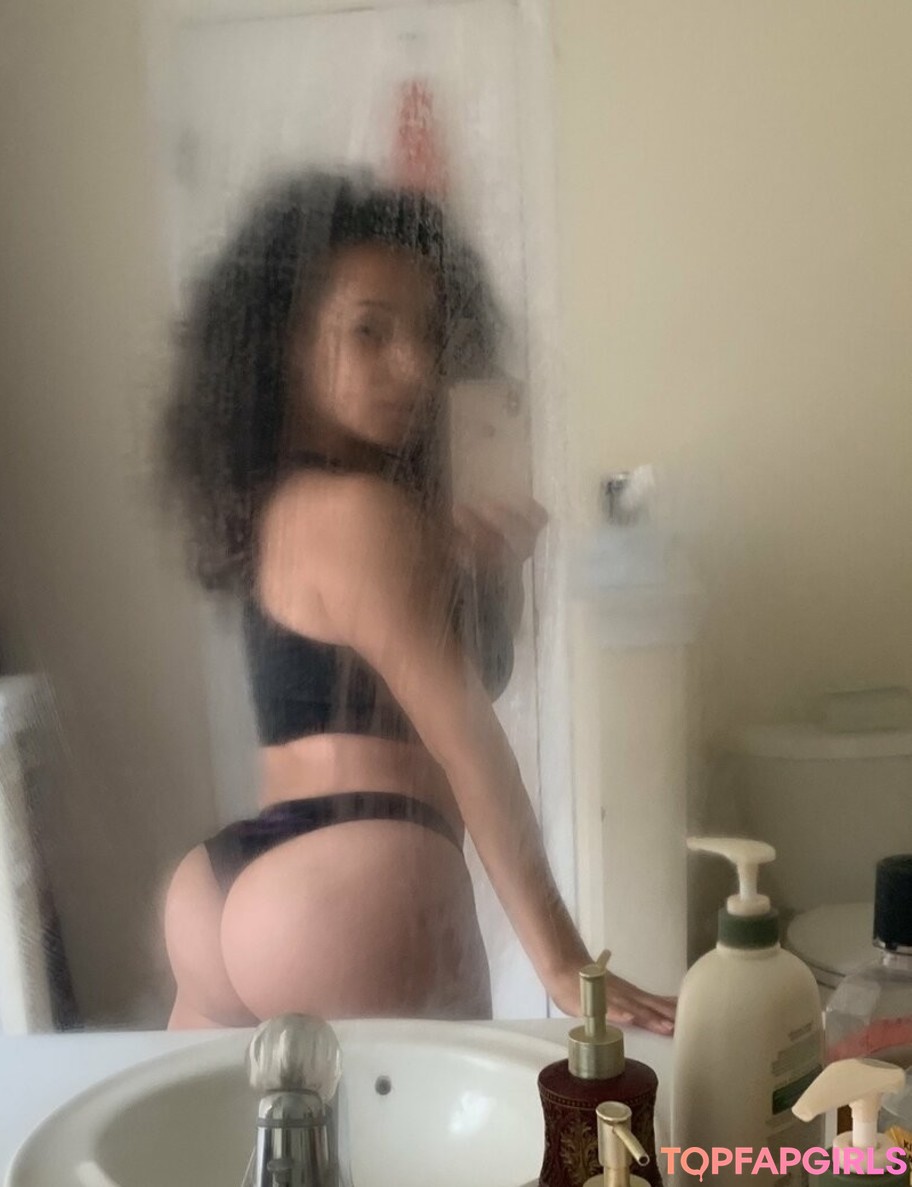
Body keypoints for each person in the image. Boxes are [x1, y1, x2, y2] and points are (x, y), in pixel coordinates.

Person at [159, 170, 675, 1033]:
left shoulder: (283, 506)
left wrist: (490, 573)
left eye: (430, 334)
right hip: (358, 880)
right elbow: (469, 744)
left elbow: (454, 679)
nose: (416, 367)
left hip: (222, 891)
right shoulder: (364, 515)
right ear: (283, 344)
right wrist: (562, 959)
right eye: (370, 331)